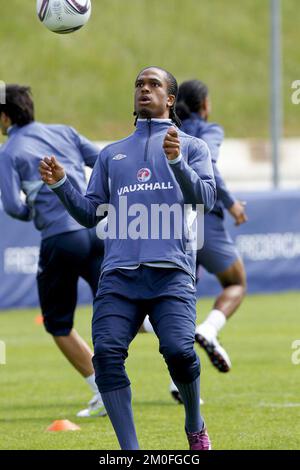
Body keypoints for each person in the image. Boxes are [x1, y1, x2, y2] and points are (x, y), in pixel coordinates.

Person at [39, 66, 216, 450]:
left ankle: (194, 424)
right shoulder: (111, 154)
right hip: (118, 277)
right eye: (139, 84)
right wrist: (59, 184)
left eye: (154, 85)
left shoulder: (191, 146)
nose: (144, 89)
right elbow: (90, 213)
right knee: (105, 357)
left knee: (180, 352)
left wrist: (177, 164)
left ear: (170, 99)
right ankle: (131, 452)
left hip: (171, 275)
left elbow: (206, 199)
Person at [0, 84, 106, 418]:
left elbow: (13, 206)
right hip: (96, 229)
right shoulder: (65, 131)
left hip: (61, 239)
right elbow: (103, 162)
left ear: (5, 116)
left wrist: (34, 209)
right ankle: (176, 337)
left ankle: (102, 391)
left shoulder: (9, 151)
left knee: (58, 325)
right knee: (122, 304)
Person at [176, 79, 247, 375]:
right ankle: (209, 328)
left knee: (181, 298)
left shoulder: (169, 130)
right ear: (205, 105)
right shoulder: (209, 130)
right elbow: (210, 167)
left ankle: (178, 379)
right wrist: (231, 204)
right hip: (203, 217)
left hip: (171, 219)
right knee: (236, 283)